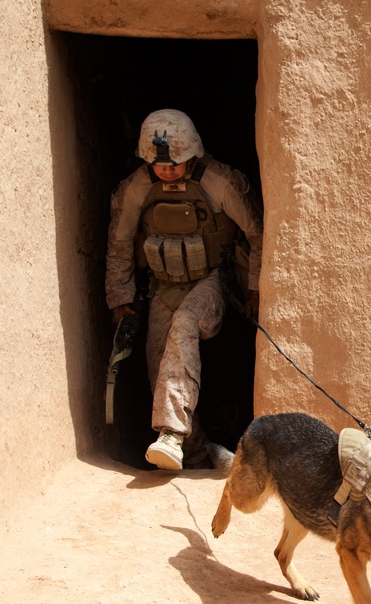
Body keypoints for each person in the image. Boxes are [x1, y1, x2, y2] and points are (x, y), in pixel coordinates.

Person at [105, 109, 263, 471]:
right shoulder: (137, 189)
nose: (169, 170)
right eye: (160, 164)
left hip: (211, 280)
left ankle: (171, 435)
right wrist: (121, 298)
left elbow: (257, 232)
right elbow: (120, 241)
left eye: (176, 163)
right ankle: (194, 456)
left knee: (185, 325)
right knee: (158, 363)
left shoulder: (218, 181)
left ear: (193, 152)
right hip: (163, 285)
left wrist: (255, 291)